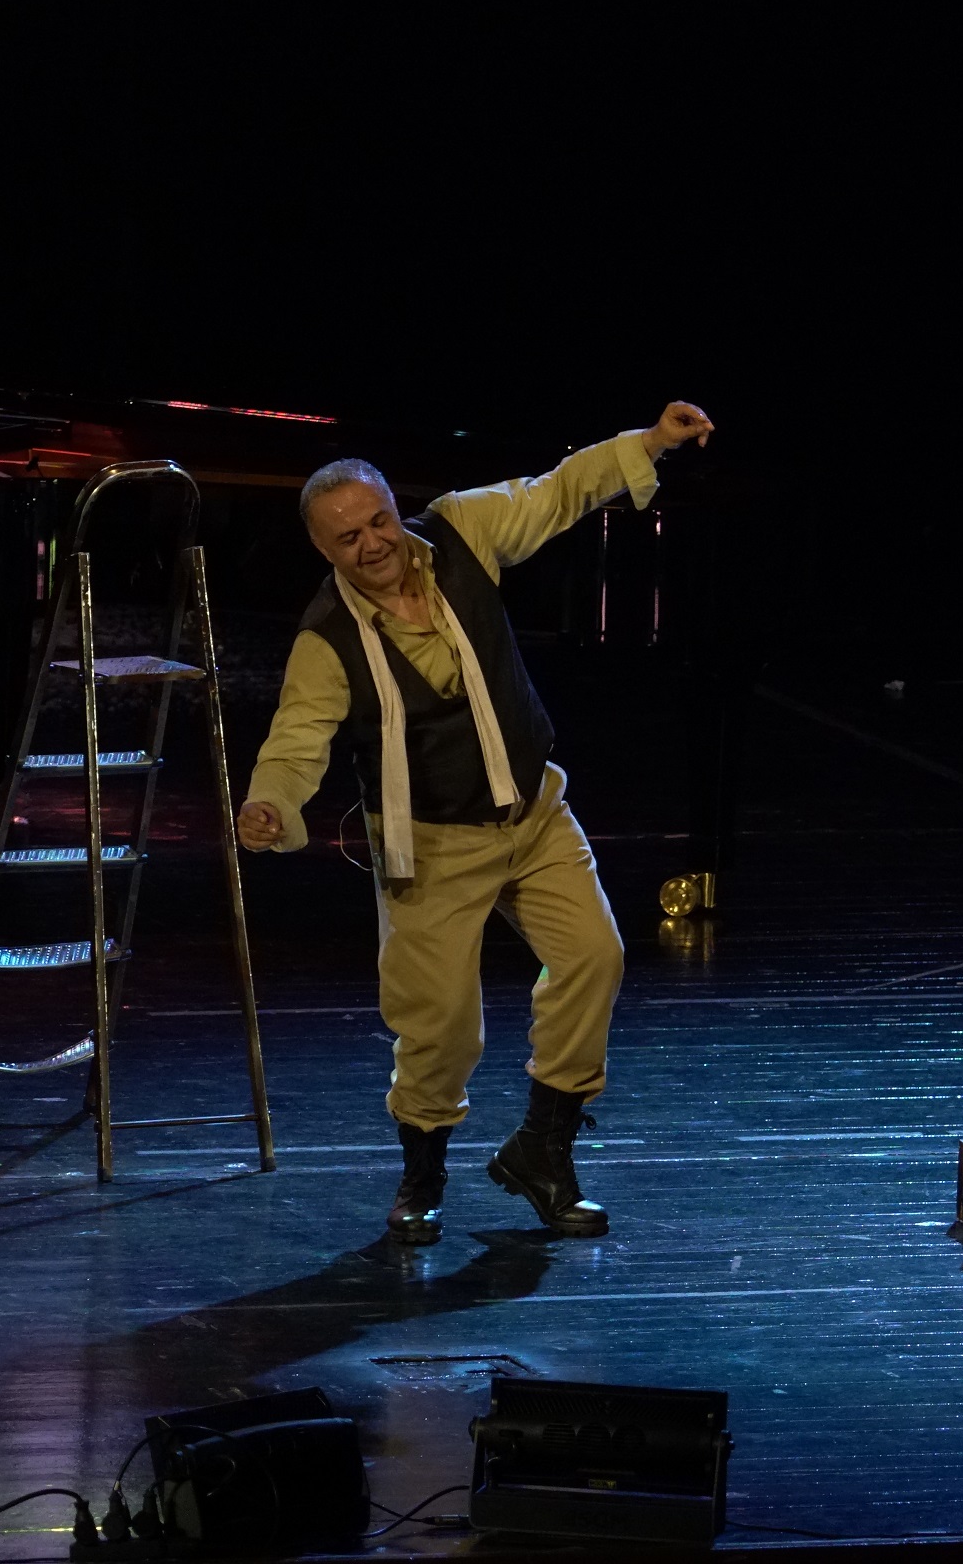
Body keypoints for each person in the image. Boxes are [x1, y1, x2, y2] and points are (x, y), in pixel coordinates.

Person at [236, 402, 714, 1244]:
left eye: (378, 521)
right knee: (441, 1024)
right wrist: (271, 802)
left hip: (533, 811)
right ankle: (422, 1175)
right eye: (348, 538)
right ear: (323, 550)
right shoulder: (326, 640)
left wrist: (649, 443)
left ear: (394, 508)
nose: (372, 544)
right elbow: (298, 736)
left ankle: (543, 1149)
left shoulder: (459, 530)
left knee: (593, 956)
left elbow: (557, 493)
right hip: (432, 845)